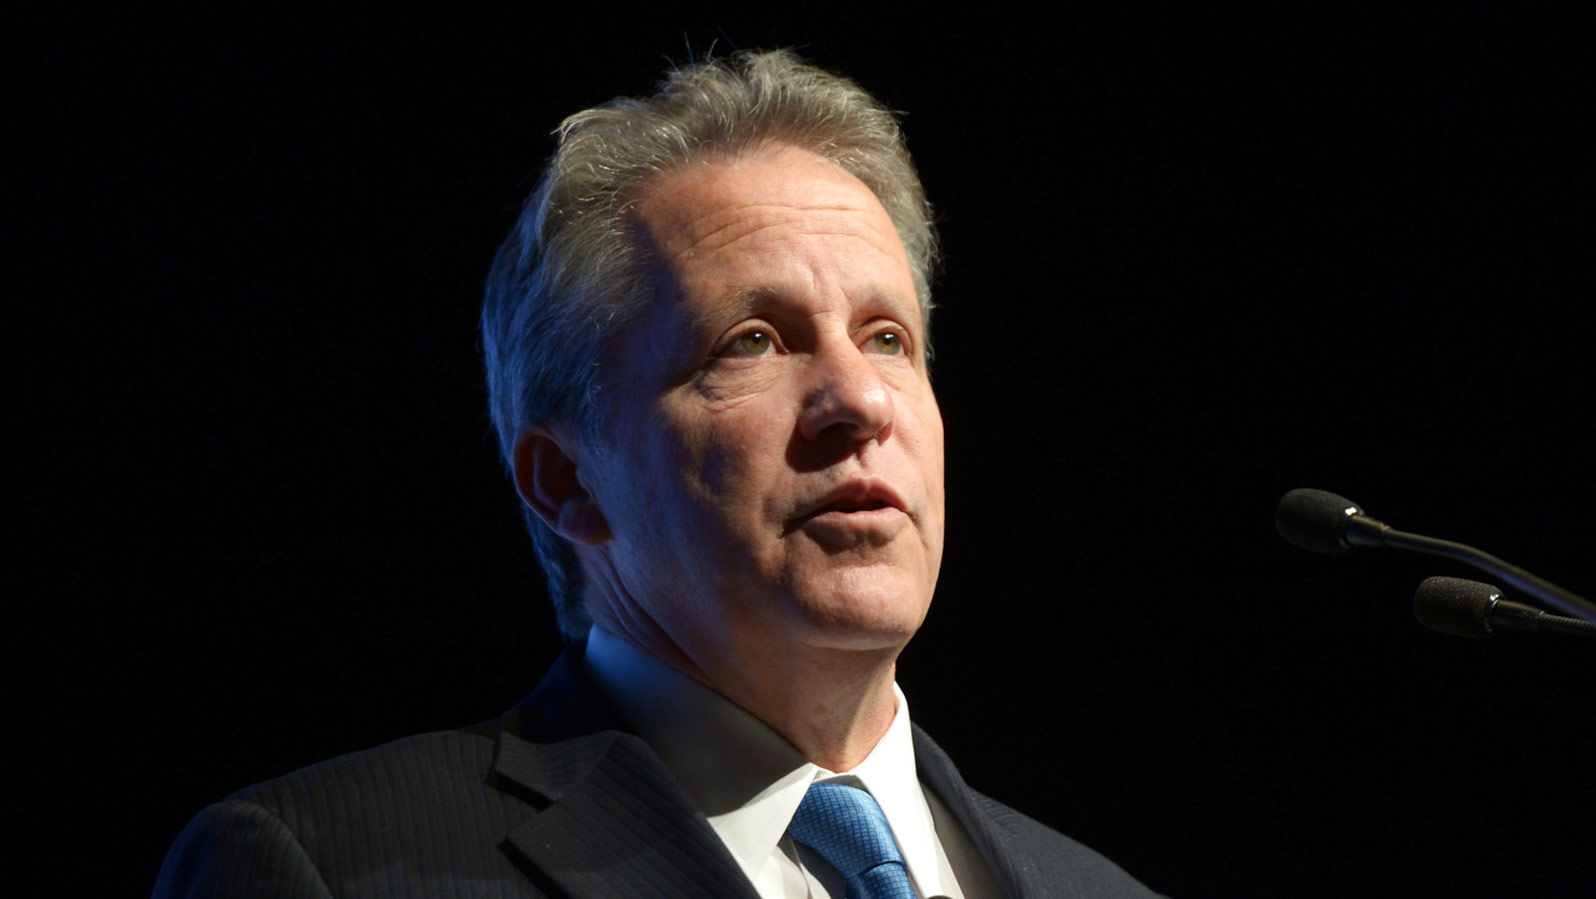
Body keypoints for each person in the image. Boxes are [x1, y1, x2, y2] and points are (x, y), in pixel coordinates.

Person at [155, 50, 1163, 898]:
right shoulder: (327, 864)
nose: (862, 400)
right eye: (753, 340)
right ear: (566, 480)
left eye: (888, 336)